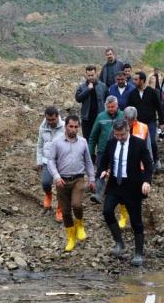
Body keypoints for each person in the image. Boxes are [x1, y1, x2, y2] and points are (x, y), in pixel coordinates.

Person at [98, 119, 153, 267]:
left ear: (127, 130)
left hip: (133, 186)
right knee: (107, 211)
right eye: (117, 135)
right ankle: (119, 243)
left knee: (136, 221)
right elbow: (103, 160)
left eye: (122, 135)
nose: (119, 138)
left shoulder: (138, 144)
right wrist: (102, 170)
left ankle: (139, 253)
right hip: (115, 184)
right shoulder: (112, 143)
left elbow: (148, 165)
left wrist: (147, 181)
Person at [47, 115, 96, 252]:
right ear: (65, 126)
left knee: (76, 204)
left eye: (76, 127)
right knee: (66, 212)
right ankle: (71, 237)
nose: (73, 129)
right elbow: (50, 161)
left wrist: (92, 179)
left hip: (78, 178)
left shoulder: (83, 142)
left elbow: (88, 161)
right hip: (62, 180)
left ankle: (80, 225)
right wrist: (56, 177)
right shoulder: (56, 142)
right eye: (71, 126)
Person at [89, 95, 123, 204]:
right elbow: (93, 136)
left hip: (119, 149)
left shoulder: (123, 116)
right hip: (103, 150)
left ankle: (117, 194)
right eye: (108, 107)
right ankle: (97, 194)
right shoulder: (101, 117)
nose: (111, 109)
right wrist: (91, 152)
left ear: (117, 105)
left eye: (113, 106)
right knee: (100, 170)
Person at [127, 71, 164, 170]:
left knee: (151, 142)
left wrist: (162, 122)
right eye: (133, 79)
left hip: (150, 122)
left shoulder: (152, 92)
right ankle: (140, 163)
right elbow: (128, 108)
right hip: (137, 124)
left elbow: (159, 107)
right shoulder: (132, 94)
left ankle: (155, 160)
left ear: (142, 80)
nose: (133, 81)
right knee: (138, 143)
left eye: (136, 79)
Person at [36, 106, 65, 222]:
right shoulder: (42, 128)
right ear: (46, 118)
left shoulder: (64, 128)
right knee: (45, 182)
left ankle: (60, 208)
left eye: (53, 119)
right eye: (49, 120)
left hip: (61, 162)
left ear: (57, 117)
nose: (51, 122)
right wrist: (39, 161)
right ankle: (48, 195)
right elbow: (39, 146)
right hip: (47, 161)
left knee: (61, 187)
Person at [75, 65, 107, 141]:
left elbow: (107, 99)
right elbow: (78, 99)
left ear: (96, 74)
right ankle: (90, 153)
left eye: (92, 75)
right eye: (88, 75)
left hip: (99, 118)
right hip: (87, 119)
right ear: (86, 75)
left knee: (100, 140)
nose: (90, 77)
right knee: (87, 140)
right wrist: (88, 89)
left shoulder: (102, 86)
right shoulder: (82, 87)